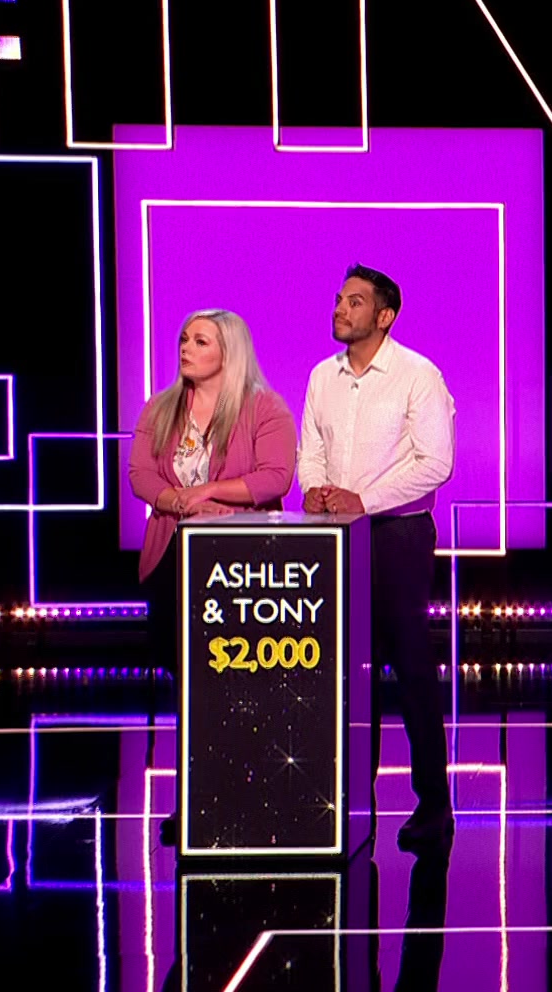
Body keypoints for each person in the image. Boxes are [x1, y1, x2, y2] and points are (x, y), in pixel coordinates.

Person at [299, 263, 457, 852]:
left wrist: (363, 500)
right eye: (339, 299)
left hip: (398, 536)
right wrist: (314, 490)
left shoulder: (418, 375)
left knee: (412, 670)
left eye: (355, 302)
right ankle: (347, 802)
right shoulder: (323, 376)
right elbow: (310, 449)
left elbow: (435, 462)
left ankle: (433, 805)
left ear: (384, 316)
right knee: (343, 673)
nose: (340, 308)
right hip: (337, 538)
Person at [127, 308, 297, 844]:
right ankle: (196, 800)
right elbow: (140, 474)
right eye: (184, 338)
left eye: (200, 340)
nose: (186, 347)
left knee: (241, 685)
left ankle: (254, 798)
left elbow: (275, 477)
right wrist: (176, 501)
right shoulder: (160, 409)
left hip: (240, 566)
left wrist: (207, 493)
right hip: (173, 558)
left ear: (230, 350)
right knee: (190, 687)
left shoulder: (264, 407)